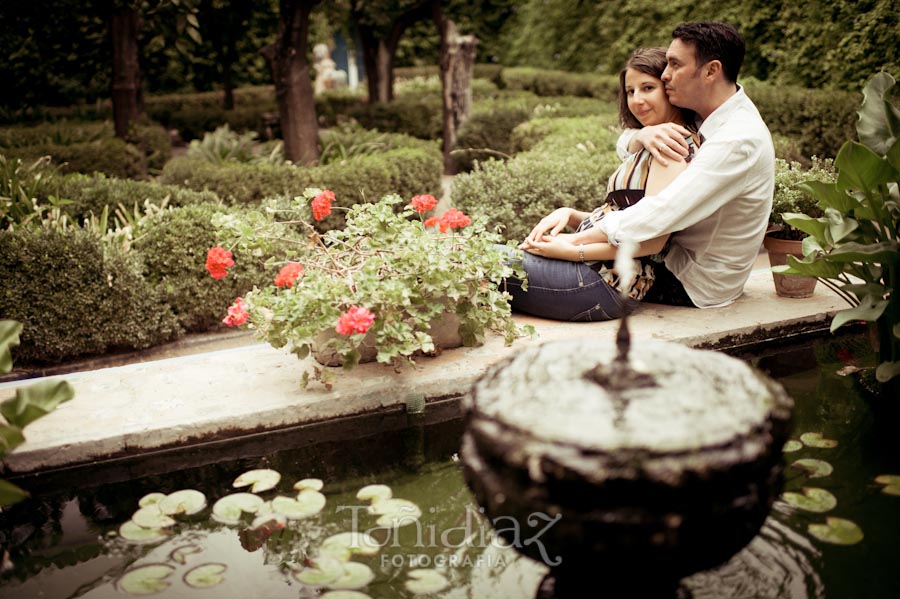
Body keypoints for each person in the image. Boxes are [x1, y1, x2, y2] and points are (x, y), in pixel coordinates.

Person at [533, 21, 775, 310]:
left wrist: (573, 245)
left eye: (674, 64)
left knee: (519, 268)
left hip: (690, 280)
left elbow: (660, 214)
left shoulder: (736, 139)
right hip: (665, 258)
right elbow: (628, 146)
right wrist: (641, 135)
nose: (666, 74)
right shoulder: (709, 115)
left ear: (711, 71)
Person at [503, 47, 701, 321]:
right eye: (630, 91)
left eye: (648, 88)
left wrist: (574, 252)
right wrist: (570, 214)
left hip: (601, 283)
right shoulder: (653, 139)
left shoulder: (671, 148)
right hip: (596, 276)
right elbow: (624, 218)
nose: (637, 100)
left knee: (476, 258)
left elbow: (652, 241)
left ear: (670, 87)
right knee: (478, 258)